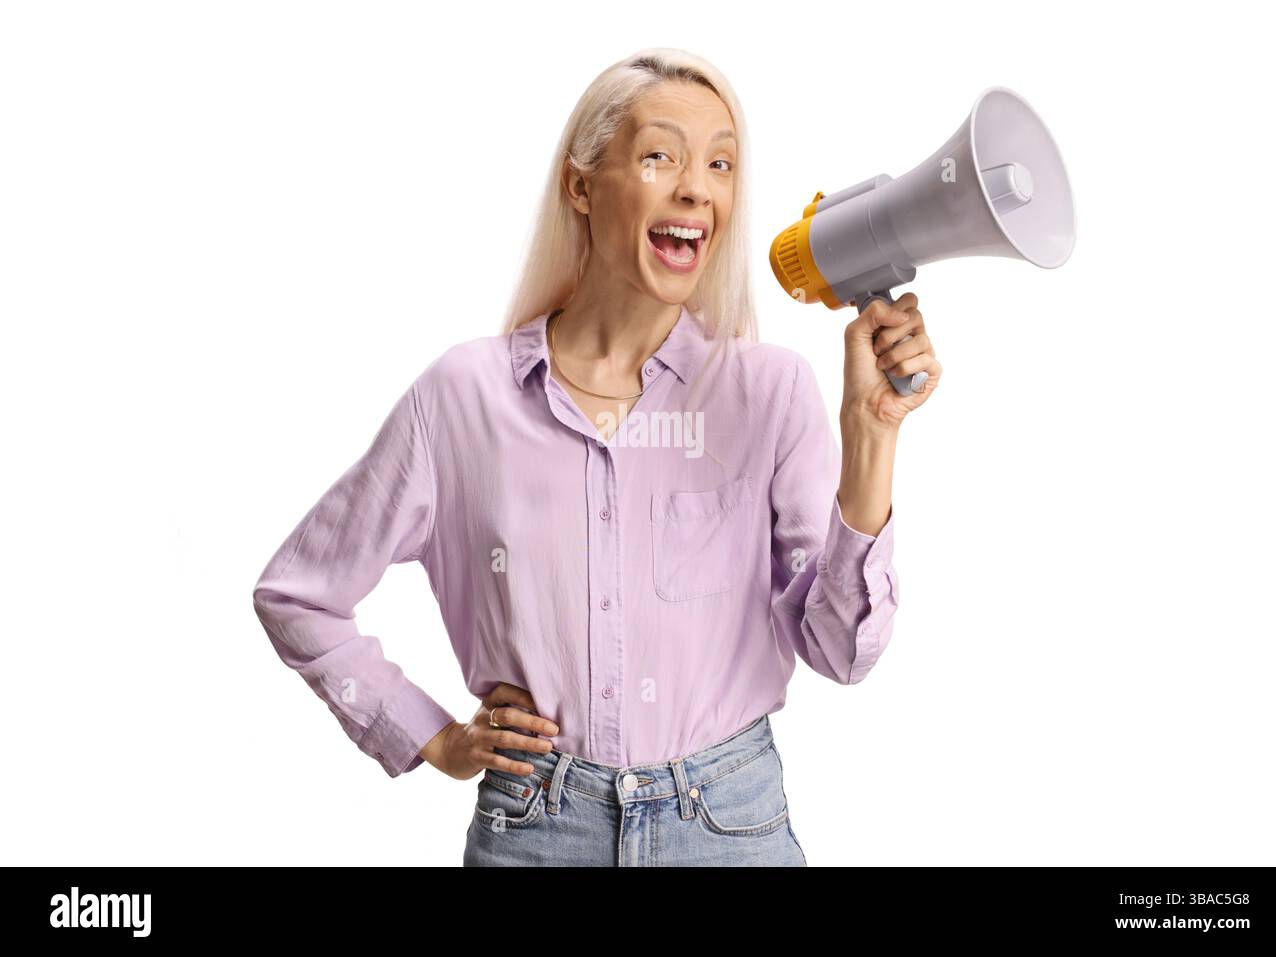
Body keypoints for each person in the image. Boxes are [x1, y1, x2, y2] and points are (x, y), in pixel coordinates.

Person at [251, 47, 941, 867]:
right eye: (661, 156)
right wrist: (429, 735)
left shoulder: (768, 394)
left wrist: (872, 434)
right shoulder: (461, 399)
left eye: (721, 163)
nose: (697, 187)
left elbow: (840, 652)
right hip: (538, 827)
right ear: (581, 185)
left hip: (729, 826)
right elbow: (299, 593)